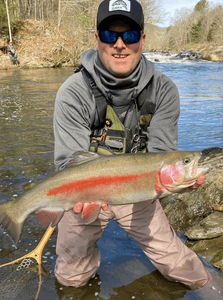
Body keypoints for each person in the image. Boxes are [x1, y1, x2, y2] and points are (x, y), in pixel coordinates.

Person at [53, 0, 210, 291]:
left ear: (143, 39)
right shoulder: (72, 92)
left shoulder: (163, 90)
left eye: (131, 35)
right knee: (70, 278)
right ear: (98, 39)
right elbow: (67, 163)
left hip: (138, 187)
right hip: (85, 191)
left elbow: (161, 156)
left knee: (184, 268)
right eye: (111, 35)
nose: (120, 44)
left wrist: (178, 182)